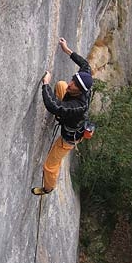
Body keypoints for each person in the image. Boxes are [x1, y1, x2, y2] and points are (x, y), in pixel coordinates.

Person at [31, 37, 93, 196]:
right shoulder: (83, 81)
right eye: (73, 80)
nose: (71, 83)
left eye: (74, 85)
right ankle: (61, 112)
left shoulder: (78, 106)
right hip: (71, 115)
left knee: (49, 167)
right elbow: (85, 65)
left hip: (68, 138)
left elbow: (54, 106)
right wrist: (67, 50)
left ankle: (48, 188)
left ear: (80, 91)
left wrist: (45, 85)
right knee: (61, 85)